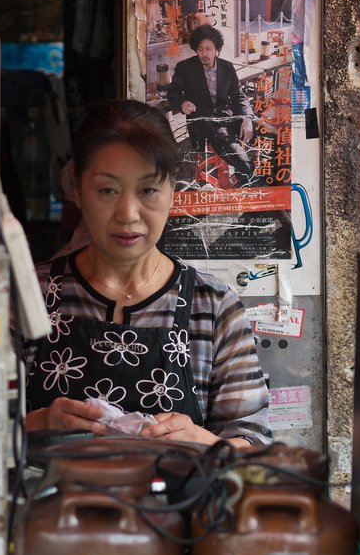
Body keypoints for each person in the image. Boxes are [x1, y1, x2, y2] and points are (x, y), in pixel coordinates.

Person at [24, 99, 271, 447]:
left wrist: (201, 441)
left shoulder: (213, 307)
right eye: (107, 190)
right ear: (77, 190)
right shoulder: (28, 295)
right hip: (56, 502)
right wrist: (35, 423)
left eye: (148, 190)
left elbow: (254, 449)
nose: (128, 213)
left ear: (173, 190)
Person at [165, 24, 255, 182]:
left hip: (227, 118)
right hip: (203, 123)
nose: (204, 54)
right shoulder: (185, 67)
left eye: (208, 49)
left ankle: (244, 178)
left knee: (266, 132)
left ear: (216, 49)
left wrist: (247, 118)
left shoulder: (227, 67)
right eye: (200, 49)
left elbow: (238, 96)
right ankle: (248, 179)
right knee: (242, 160)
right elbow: (172, 91)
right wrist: (182, 103)